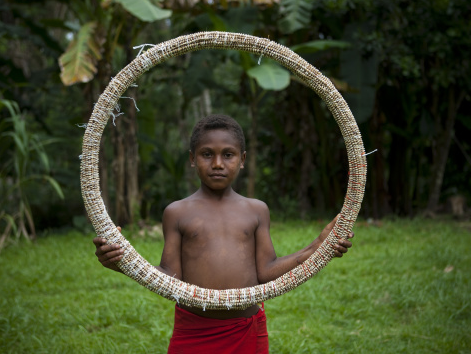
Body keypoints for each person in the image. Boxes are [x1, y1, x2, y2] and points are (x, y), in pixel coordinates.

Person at [93, 114, 354, 353]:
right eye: (207, 154)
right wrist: (123, 263)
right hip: (194, 330)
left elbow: (266, 272)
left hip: (246, 328)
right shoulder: (177, 212)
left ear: (242, 160)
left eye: (228, 155)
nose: (217, 163)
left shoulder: (257, 210)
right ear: (193, 159)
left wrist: (319, 246)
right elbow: (170, 279)